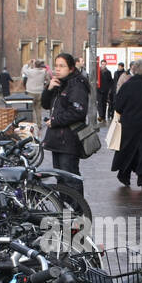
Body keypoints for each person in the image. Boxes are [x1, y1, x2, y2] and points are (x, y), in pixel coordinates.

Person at [40, 52, 89, 188]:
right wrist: (48, 89)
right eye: (56, 66)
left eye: (62, 66)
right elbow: (45, 104)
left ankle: (77, 209)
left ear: (71, 68)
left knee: (70, 178)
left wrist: (55, 121)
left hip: (69, 139)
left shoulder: (77, 85)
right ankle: (64, 209)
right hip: (57, 139)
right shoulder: (59, 83)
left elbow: (77, 111)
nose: (58, 69)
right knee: (61, 178)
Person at [110, 58, 142, 191]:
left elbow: (118, 106)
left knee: (128, 149)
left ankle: (124, 175)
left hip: (129, 124)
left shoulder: (127, 86)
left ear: (134, 70)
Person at [22, 59, 48, 127]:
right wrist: (44, 87)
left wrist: (28, 63)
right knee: (38, 109)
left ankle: (33, 124)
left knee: (31, 109)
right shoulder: (43, 72)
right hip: (40, 92)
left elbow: (24, 69)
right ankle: (39, 124)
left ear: (35, 65)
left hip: (30, 92)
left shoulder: (30, 71)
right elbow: (48, 80)